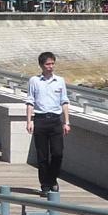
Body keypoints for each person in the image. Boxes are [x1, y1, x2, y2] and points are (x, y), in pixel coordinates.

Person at [24, 51, 70, 195]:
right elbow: (30, 101)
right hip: (40, 120)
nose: (50, 67)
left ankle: (52, 179)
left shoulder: (60, 81)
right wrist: (29, 121)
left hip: (55, 120)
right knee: (42, 155)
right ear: (41, 65)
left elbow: (64, 101)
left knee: (57, 153)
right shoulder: (34, 81)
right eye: (47, 64)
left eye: (52, 64)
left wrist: (66, 122)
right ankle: (45, 185)